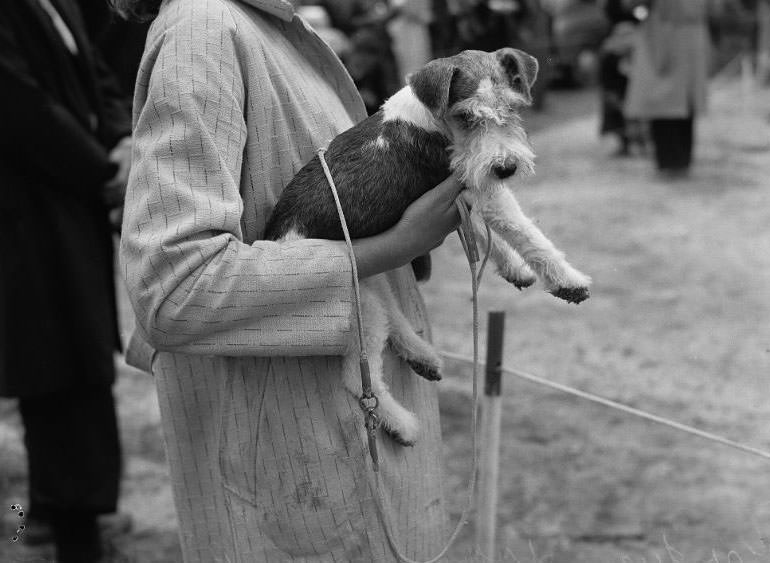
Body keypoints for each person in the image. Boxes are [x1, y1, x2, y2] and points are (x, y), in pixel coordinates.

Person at [116, 0, 463, 560]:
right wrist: (391, 247)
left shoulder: (268, 24)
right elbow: (173, 287)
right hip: (290, 462)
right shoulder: (205, 30)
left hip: (334, 447)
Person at [0, 0, 134, 561]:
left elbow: (98, 73)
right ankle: (58, 529)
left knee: (77, 357)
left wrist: (123, 141)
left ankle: (53, 513)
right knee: (52, 368)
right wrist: (103, 171)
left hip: (70, 203)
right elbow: (20, 106)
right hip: (25, 213)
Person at [624, 0, 723, 177]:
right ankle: (679, 161)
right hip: (685, 36)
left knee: (668, 103)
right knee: (678, 104)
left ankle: (672, 162)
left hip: (665, 35)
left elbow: (634, 4)